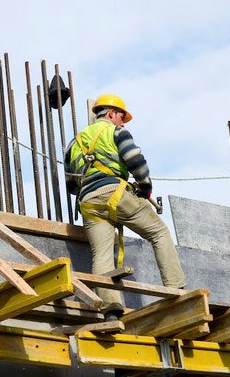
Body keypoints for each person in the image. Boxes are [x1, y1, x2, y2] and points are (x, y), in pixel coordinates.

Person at [64, 94, 185, 320]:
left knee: (101, 255)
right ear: (111, 113)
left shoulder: (74, 143)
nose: (123, 122)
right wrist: (145, 186)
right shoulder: (116, 132)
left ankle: (110, 310)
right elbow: (135, 161)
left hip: (88, 202)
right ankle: (176, 289)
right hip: (116, 193)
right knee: (159, 233)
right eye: (121, 117)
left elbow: (71, 185)